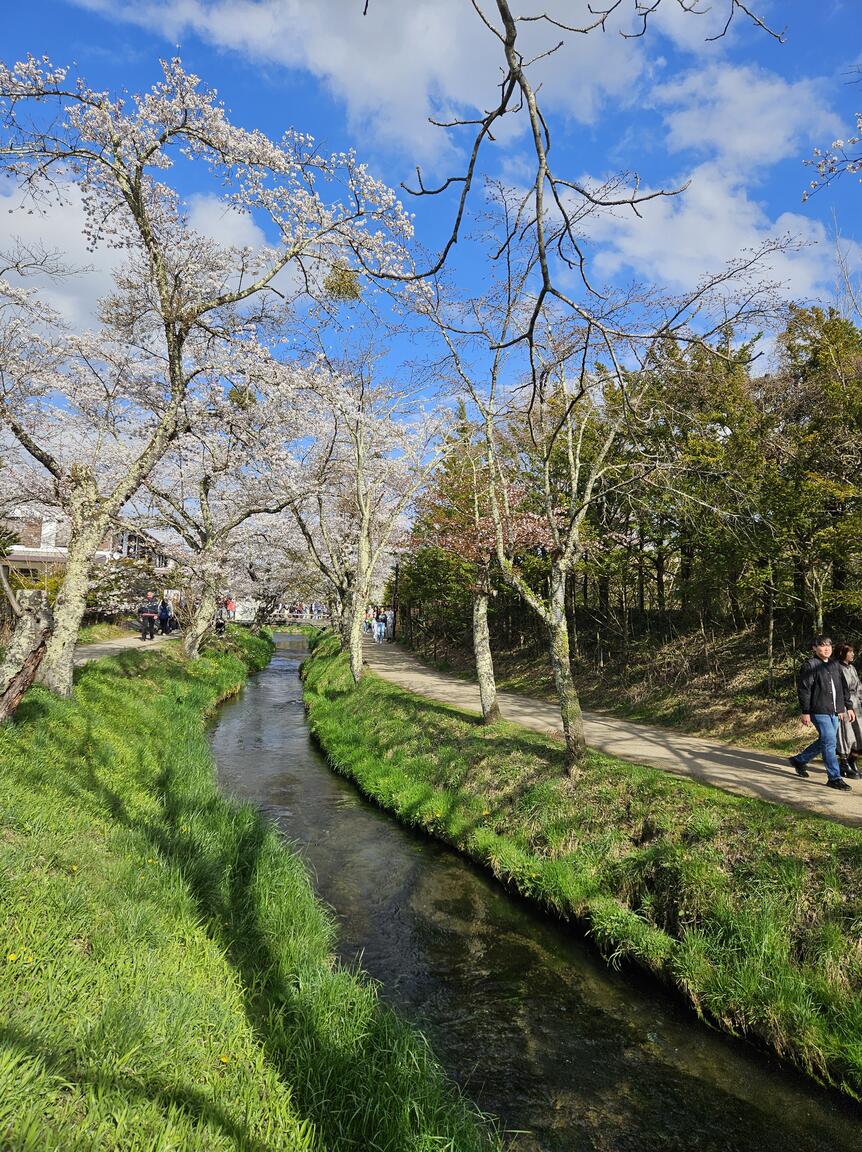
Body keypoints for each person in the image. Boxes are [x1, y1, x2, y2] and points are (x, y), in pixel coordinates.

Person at [789, 635, 855, 791]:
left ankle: (799, 760)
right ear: (814, 648)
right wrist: (805, 712)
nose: (826, 648)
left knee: (826, 741)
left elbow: (842, 688)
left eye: (829, 645)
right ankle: (834, 778)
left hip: (834, 711)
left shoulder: (834, 665)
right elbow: (804, 690)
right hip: (818, 711)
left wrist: (847, 707)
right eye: (822, 645)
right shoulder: (810, 665)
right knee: (830, 742)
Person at [835, 643, 862, 779]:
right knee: (846, 735)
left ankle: (853, 760)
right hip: (843, 704)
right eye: (850, 652)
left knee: (859, 734)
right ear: (842, 653)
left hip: (856, 704)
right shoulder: (836, 668)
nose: (852, 654)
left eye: (853, 652)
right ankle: (844, 764)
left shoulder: (852, 668)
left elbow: (859, 687)